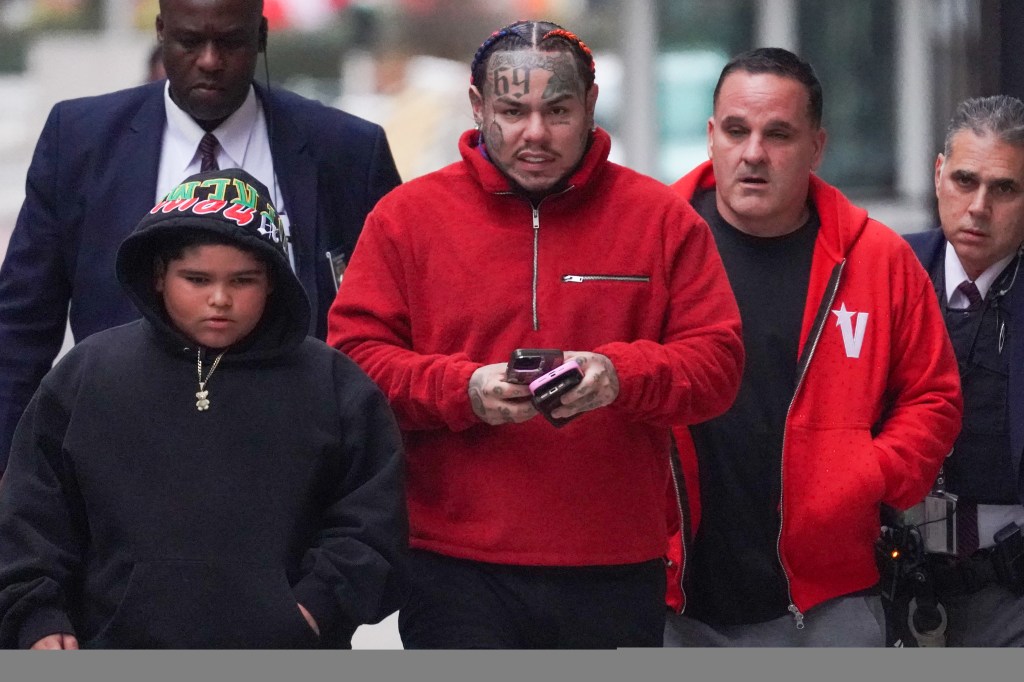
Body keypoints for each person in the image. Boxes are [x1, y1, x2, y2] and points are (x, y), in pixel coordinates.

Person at [327, 20, 744, 649]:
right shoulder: (407, 219)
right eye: (512, 111)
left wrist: (617, 377)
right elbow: (353, 367)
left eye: (557, 110)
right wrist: (460, 389)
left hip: (614, 568)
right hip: (454, 568)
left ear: (591, 105)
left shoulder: (661, 220)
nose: (536, 134)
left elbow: (717, 365)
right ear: (477, 106)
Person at [0, 168, 406, 649]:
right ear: (158, 276)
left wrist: (315, 607)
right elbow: (32, 514)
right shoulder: (87, 375)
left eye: (243, 280)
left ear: (273, 281)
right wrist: (39, 618)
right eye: (196, 279)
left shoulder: (336, 386)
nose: (220, 299)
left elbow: (372, 522)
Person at [0, 0, 402, 474]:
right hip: (118, 461)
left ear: (261, 37)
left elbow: (391, 322)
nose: (210, 60)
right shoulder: (81, 140)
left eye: (230, 41)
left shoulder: (347, 151)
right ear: (160, 32)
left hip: (293, 466)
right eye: (191, 41)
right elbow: (22, 324)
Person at [662, 47, 963, 647]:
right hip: (671, 601)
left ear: (816, 147)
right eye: (736, 131)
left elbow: (933, 397)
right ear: (710, 136)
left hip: (829, 604)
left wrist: (867, 476)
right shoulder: (651, 246)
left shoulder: (877, 260)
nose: (753, 154)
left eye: (779, 134)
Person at [897, 95, 1024, 647]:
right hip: (892, 573)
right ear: (938, 174)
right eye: (965, 180)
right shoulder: (882, 271)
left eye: (1005, 189)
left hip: (1010, 583)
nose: (978, 206)